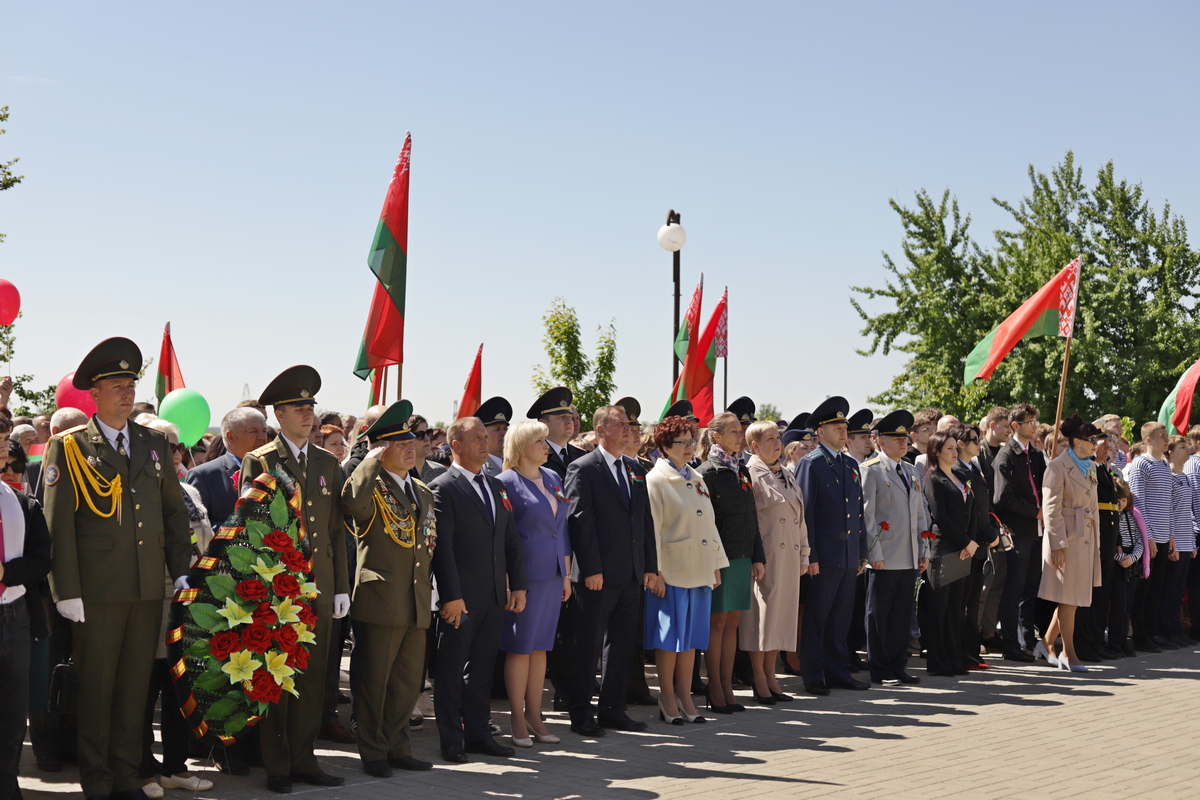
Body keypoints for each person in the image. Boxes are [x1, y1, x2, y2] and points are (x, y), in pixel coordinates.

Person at [45, 338, 194, 800]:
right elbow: (58, 523)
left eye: (131, 383)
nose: (127, 392)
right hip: (96, 591)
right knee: (97, 691)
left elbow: (173, 512)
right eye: (116, 385)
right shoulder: (68, 447)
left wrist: (181, 569)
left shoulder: (151, 442)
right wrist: (65, 590)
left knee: (133, 693)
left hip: (148, 588)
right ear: (94, 392)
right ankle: (98, 778)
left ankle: (127, 775)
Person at [239, 365, 351, 793]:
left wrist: (340, 586)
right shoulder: (262, 460)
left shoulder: (326, 462)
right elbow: (252, 529)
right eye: (299, 407)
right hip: (279, 589)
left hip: (319, 588)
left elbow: (335, 530)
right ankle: (278, 765)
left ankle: (305, 758)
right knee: (278, 677)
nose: (308, 413)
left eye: (311, 406)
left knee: (313, 677)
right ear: (278, 414)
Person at [341, 400, 435, 777]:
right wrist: (369, 461)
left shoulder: (422, 491)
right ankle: (374, 751)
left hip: (415, 600)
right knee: (375, 682)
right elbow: (352, 504)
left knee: (407, 682)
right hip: (381, 599)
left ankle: (398, 746)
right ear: (381, 449)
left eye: (412, 441)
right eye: (400, 444)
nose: (411, 448)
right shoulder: (370, 486)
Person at [429, 417, 527, 763]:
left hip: (495, 597)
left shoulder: (495, 485)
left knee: (482, 671)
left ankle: (479, 735)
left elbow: (510, 541)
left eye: (486, 438)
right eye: (476, 439)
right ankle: (451, 740)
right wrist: (451, 597)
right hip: (461, 599)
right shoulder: (443, 487)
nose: (486, 444)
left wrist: (518, 585)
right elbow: (444, 549)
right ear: (455, 445)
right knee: (452, 672)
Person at [565, 405, 659, 736]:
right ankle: (580, 714)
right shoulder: (583, 468)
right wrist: (590, 568)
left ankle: (612, 709)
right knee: (587, 646)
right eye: (622, 424)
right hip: (597, 575)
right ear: (602, 430)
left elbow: (644, 521)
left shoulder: (634, 468)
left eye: (631, 424)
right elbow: (579, 521)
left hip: (631, 574)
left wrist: (650, 566)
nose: (630, 429)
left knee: (621, 646)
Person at [135, 418, 215, 799]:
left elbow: (207, 541)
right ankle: (142, 769)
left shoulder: (187, 492)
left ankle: (175, 767)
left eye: (178, 446)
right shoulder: (135, 491)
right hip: (150, 605)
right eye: (165, 446)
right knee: (143, 693)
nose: (175, 453)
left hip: (188, 608)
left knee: (180, 690)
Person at [645, 415, 727, 724]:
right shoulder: (656, 479)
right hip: (673, 571)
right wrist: (657, 573)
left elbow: (709, 523)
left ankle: (684, 694)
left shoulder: (696, 476)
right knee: (669, 638)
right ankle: (666, 695)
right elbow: (652, 529)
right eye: (683, 442)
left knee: (691, 637)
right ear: (665, 446)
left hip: (700, 569)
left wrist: (717, 564)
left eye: (693, 441)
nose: (690, 447)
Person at [496, 421, 571, 746]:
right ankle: (516, 718)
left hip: (553, 575)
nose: (546, 445)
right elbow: (503, 539)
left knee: (541, 648)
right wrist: (513, 583)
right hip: (525, 578)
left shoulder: (553, 477)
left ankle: (535, 716)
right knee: (520, 647)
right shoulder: (505, 482)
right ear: (522, 446)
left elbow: (562, 529)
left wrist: (566, 575)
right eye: (539, 441)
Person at [795, 396, 869, 695]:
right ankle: (813, 675)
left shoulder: (849, 463)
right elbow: (807, 513)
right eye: (836, 426)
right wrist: (809, 553)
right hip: (823, 556)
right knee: (818, 619)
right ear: (820, 432)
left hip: (848, 554)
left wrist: (861, 552)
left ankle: (838, 671)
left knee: (840, 619)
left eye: (844, 426)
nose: (843, 431)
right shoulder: (810, 464)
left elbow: (858, 512)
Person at [696, 412, 765, 710]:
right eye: (734, 431)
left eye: (741, 430)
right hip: (720, 559)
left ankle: (727, 687)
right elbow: (706, 522)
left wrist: (757, 557)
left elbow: (752, 516)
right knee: (717, 623)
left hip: (742, 557)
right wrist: (713, 561)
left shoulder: (741, 470)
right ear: (716, 436)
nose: (740, 435)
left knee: (733, 623)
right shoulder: (707, 473)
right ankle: (716, 689)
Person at [0, 418, 52, 800]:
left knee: (13, 713)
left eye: (5, 442)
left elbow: (41, 559)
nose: (5, 451)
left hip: (15, 615)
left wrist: (6, 571)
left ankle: (7, 782)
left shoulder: (19, 501)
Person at [740, 419, 809, 698]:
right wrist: (756, 557)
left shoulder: (786, 473)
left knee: (780, 621)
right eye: (770, 439)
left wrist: (805, 552)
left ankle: (771, 674)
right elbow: (750, 522)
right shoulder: (750, 473)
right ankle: (759, 678)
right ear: (754, 446)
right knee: (762, 620)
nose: (777, 443)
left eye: (778, 438)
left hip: (789, 556)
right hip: (767, 558)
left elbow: (800, 518)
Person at [861, 410, 929, 684]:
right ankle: (879, 669)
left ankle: (898, 666)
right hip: (884, 556)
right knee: (879, 615)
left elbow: (920, 513)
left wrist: (923, 549)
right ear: (880, 442)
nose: (903, 442)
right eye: (895, 438)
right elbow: (867, 516)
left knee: (902, 614)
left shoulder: (911, 470)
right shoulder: (871, 470)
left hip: (909, 555)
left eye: (904, 437)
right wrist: (872, 555)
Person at [527, 387, 584, 712]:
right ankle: (557, 690)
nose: (570, 421)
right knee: (552, 630)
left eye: (571, 415)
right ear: (543, 422)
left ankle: (570, 687)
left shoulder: (577, 457)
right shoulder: (534, 459)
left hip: (575, 555)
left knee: (573, 627)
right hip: (546, 559)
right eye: (561, 416)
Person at [1035, 417, 1104, 672]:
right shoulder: (1056, 467)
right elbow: (1051, 509)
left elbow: (1093, 507)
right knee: (1068, 598)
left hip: (1085, 538)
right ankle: (1068, 652)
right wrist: (1057, 545)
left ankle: (1046, 643)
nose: (1096, 443)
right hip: (1067, 539)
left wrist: (1095, 542)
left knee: (1071, 599)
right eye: (1092, 439)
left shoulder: (1091, 466)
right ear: (1077, 442)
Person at [993, 403, 1046, 662]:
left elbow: (1045, 487)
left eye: (1036, 422)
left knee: (1030, 588)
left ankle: (1027, 639)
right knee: (1013, 589)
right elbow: (1003, 497)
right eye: (1030, 422)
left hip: (1036, 532)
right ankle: (1010, 646)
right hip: (1017, 531)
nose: (1035, 426)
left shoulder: (1035, 455)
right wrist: (1034, 511)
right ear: (1016, 426)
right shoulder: (1005, 456)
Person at [922, 431, 977, 677]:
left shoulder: (961, 476)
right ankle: (938, 661)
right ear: (936, 452)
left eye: (956, 448)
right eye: (949, 449)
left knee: (956, 608)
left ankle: (955, 659)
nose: (955, 452)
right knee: (939, 609)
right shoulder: (933, 479)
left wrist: (970, 542)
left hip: (963, 550)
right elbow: (940, 517)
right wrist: (966, 541)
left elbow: (972, 512)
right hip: (943, 549)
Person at [950, 423, 998, 670]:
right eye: (973, 440)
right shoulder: (957, 469)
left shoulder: (974, 467)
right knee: (962, 603)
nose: (979, 444)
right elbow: (970, 512)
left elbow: (984, 505)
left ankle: (970, 652)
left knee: (972, 602)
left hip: (979, 544)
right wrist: (989, 532)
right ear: (959, 444)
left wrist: (993, 528)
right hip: (967, 545)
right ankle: (960, 653)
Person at [1127, 421, 1174, 652]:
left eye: (1166, 435)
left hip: (1165, 536)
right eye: (1162, 436)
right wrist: (1150, 537)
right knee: (1143, 591)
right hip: (1149, 538)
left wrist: (1171, 534)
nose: (1167, 439)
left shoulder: (1165, 465)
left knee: (1157, 589)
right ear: (1148, 440)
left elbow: (1168, 505)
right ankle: (1140, 636)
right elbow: (1138, 504)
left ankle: (1152, 633)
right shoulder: (1140, 465)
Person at [185, 406, 268, 532]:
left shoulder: (273, 470)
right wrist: (243, 532)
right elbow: (195, 525)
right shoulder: (204, 476)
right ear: (231, 437)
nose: (262, 437)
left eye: (264, 431)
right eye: (253, 431)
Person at [1161, 435, 1195, 646]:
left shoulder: (1186, 478)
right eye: (1182, 447)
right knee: (1169, 588)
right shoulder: (1169, 476)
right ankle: (1166, 630)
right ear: (1171, 452)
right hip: (1174, 541)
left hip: (1186, 539)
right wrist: (1172, 541)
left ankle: (1175, 629)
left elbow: (1188, 512)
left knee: (1179, 589)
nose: (1187, 449)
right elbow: (1169, 512)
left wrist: (1191, 542)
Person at [1107, 478, 1145, 656]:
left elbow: (1140, 540)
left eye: (1123, 500)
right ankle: (1114, 643)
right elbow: (1108, 543)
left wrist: (1132, 557)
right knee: (1119, 606)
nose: (1120, 503)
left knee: (1128, 605)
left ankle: (1123, 642)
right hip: (1117, 563)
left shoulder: (1131, 516)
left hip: (1131, 562)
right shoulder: (1111, 517)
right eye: (1117, 500)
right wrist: (1120, 557)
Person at [474, 397, 512, 477]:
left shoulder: (517, 464)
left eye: (505, 428)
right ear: (483, 434)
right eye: (497, 429)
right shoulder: (478, 469)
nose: (504, 433)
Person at [408, 414, 447, 484]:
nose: (427, 438)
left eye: (428, 433)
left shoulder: (440, 471)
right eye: (420, 435)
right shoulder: (398, 472)